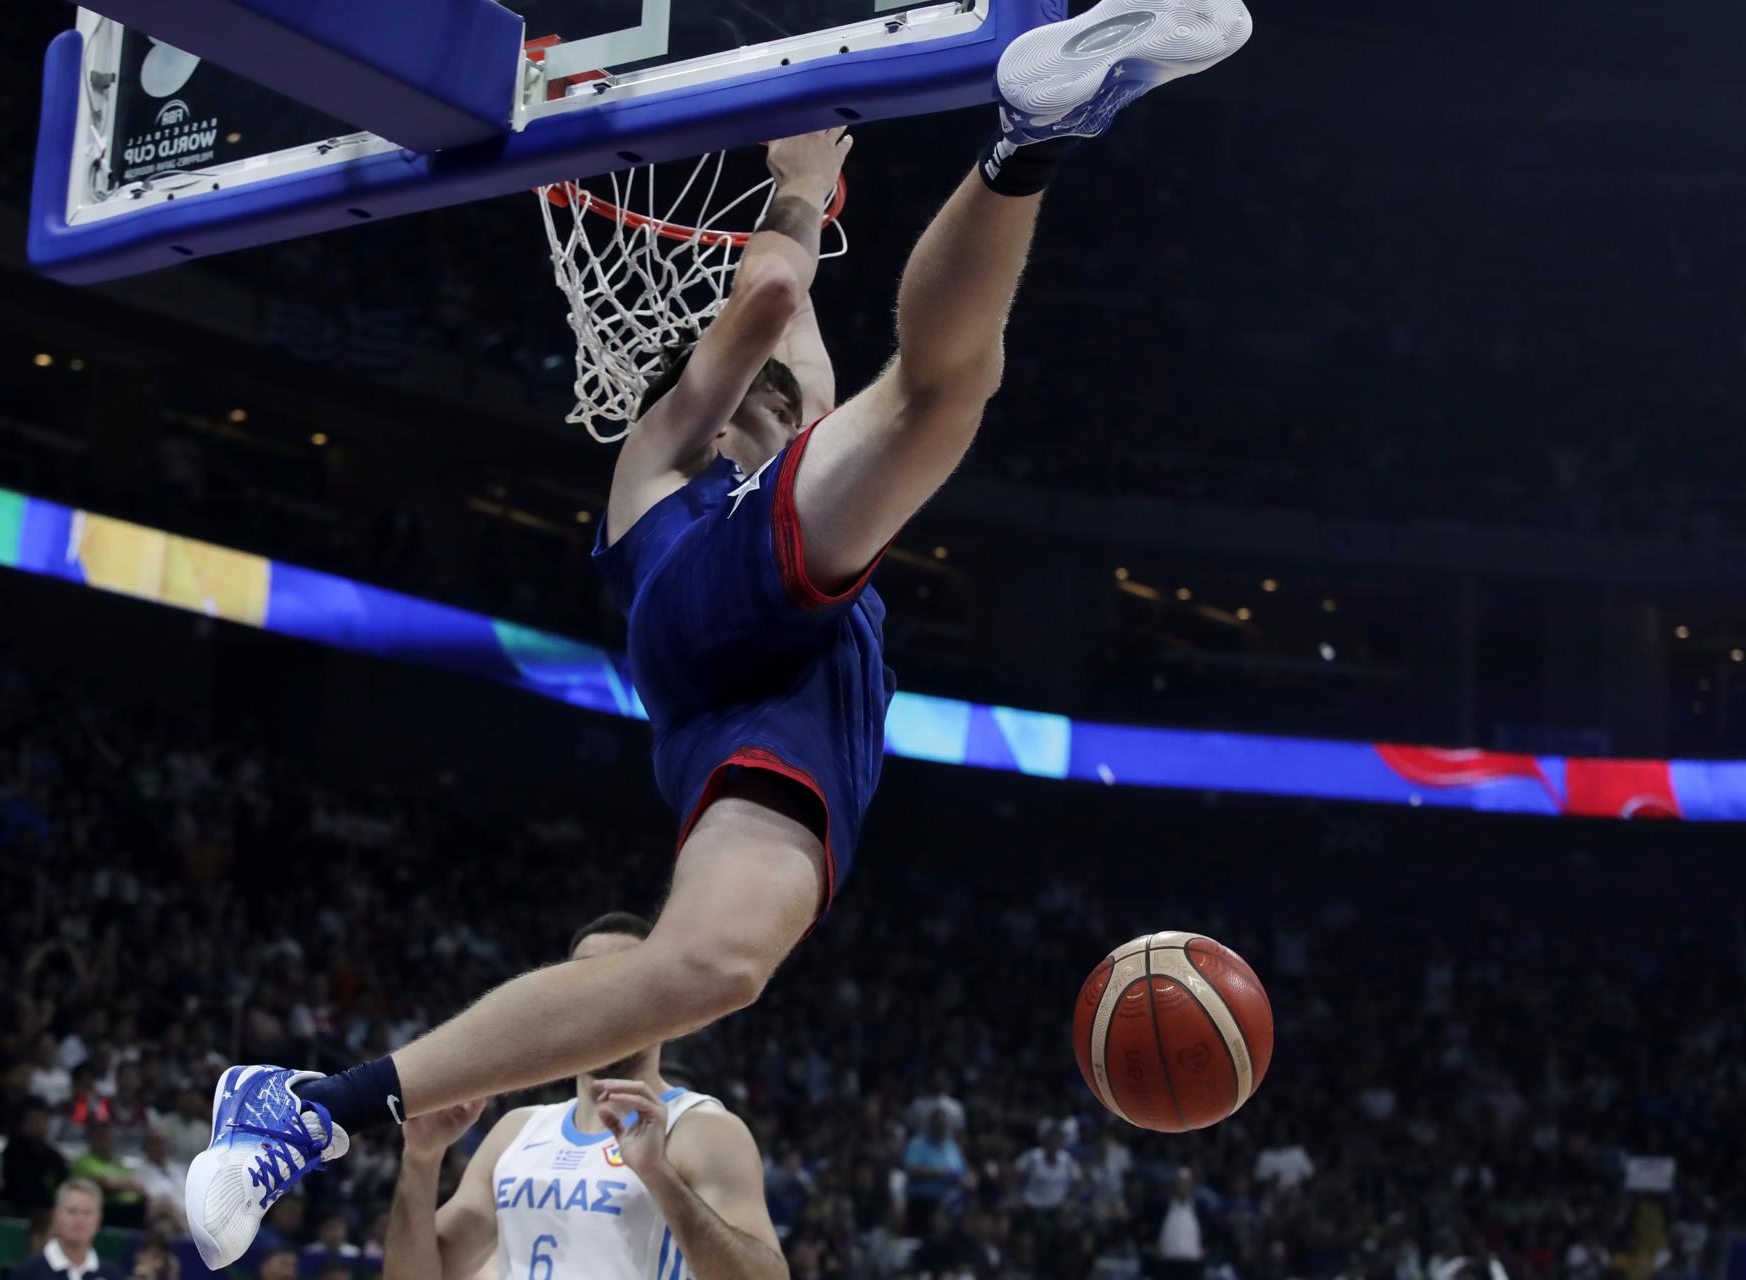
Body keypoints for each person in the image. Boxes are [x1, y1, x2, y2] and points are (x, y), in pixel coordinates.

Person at [184, 0, 1253, 1266]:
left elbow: (799, 325)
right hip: (710, 620)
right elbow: (776, 289)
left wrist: (808, 177)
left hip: (766, 703)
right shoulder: (662, 454)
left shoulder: (790, 449)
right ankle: (1033, 135)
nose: (768, 385)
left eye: (784, 394)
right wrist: (799, 186)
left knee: (712, 967)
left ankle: (311, 1106)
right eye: (754, 385)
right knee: (937, 395)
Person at [379, 914, 782, 1280]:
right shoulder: (517, 1132)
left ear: (664, 1003)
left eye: (623, 980)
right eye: (585, 981)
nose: (603, 998)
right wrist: (421, 1158)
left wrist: (660, 1176)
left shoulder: (700, 1129)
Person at [5, 1179, 124, 1279]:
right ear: (55, 1216)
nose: (79, 1220)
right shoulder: (26, 1272)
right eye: (71, 1211)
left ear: (98, 1220)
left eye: (87, 1213)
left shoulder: (112, 1275)